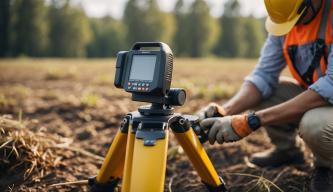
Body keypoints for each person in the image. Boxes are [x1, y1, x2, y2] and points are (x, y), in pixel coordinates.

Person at [197, 0, 333, 191]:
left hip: (327, 96)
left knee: (315, 124)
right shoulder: (286, 20)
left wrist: (250, 121)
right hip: (319, 97)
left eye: (298, 17)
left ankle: (327, 167)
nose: (293, 25)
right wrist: (226, 110)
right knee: (268, 92)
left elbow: (330, 86)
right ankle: (288, 151)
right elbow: (263, 76)